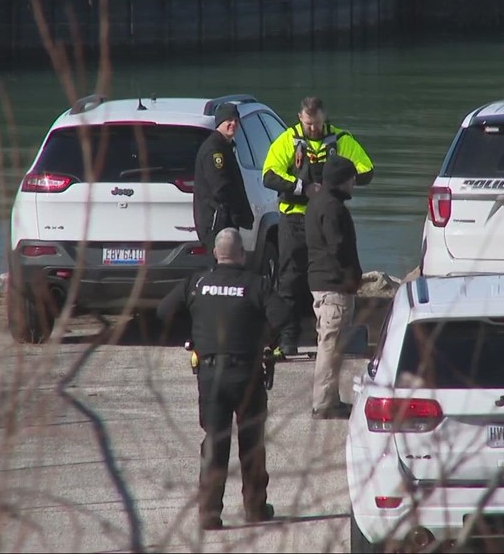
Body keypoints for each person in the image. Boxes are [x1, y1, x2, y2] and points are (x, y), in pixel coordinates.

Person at [156, 228, 289, 530]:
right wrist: (268, 339)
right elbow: (283, 316)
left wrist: (191, 336)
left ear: (216, 254)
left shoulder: (197, 283)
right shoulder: (256, 285)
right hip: (248, 374)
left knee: (215, 444)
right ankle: (254, 508)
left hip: (210, 374)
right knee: (251, 443)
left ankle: (209, 513)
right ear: (241, 255)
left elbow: (163, 311)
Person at [261, 96, 374, 359]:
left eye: (318, 124)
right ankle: (287, 339)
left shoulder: (341, 139)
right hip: (295, 218)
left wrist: (335, 184)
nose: (314, 129)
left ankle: (329, 333)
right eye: (309, 124)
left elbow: (367, 170)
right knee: (289, 278)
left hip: (326, 218)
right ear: (301, 118)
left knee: (330, 274)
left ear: (325, 119)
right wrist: (303, 188)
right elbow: (270, 174)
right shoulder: (288, 140)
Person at [305, 156, 363, 420]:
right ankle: (324, 403)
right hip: (333, 285)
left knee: (332, 343)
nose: (353, 183)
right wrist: (352, 276)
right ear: (341, 180)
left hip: (321, 281)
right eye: (351, 178)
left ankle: (331, 398)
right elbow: (338, 247)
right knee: (331, 344)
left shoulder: (317, 203)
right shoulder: (332, 208)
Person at [193, 103, 254, 253]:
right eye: (229, 120)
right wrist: (238, 212)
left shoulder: (224, 146)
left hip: (224, 221)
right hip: (217, 223)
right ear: (219, 122)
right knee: (223, 264)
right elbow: (221, 188)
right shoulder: (214, 150)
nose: (233, 124)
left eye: (236, 120)